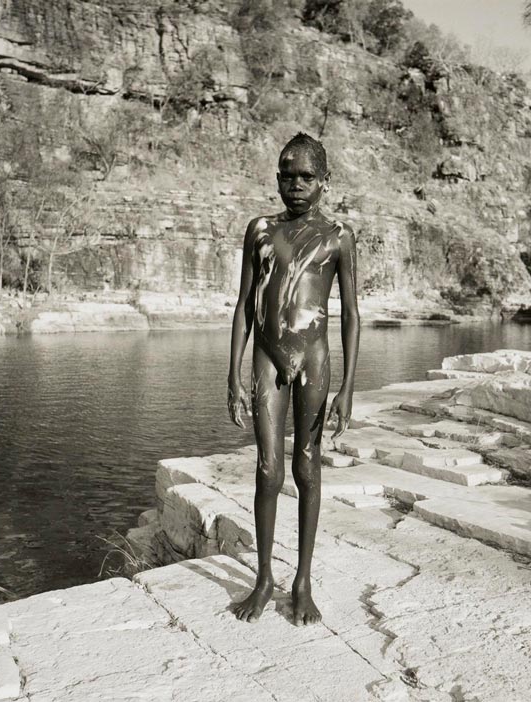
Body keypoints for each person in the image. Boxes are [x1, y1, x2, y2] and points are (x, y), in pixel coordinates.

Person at [227, 132, 360, 626]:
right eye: (287, 175)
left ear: (325, 181)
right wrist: (232, 373)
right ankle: (263, 579)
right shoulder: (259, 230)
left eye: (307, 176)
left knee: (307, 470)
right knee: (268, 470)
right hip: (265, 356)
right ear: (277, 178)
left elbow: (350, 312)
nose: (296, 184)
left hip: (315, 359)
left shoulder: (338, 235)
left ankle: (301, 582)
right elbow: (244, 305)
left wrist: (348, 387)